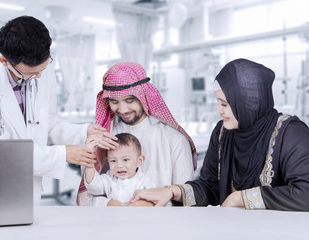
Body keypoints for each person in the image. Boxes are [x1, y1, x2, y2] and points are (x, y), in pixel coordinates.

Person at [0, 16, 118, 205]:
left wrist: (83, 131)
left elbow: (48, 121)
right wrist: (62, 155)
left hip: (29, 186)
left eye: (43, 67)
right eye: (31, 73)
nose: (40, 75)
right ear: (4, 61)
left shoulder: (41, 68)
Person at [131, 58, 309, 211]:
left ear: (249, 103)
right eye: (217, 102)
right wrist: (171, 191)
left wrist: (241, 198)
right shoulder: (223, 132)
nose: (218, 110)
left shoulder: (291, 133)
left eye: (224, 104)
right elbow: (210, 186)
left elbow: (305, 193)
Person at [77, 62, 197, 206]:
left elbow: (183, 196)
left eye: (129, 100)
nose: (122, 109)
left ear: (144, 97)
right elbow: (92, 192)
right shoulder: (104, 138)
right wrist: (108, 203)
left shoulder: (174, 140)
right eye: (114, 102)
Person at [84, 133, 156, 206]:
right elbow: (94, 187)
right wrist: (89, 163)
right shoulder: (109, 178)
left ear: (139, 161)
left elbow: (153, 203)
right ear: (108, 161)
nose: (119, 166)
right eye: (113, 161)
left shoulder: (145, 183)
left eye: (125, 160)